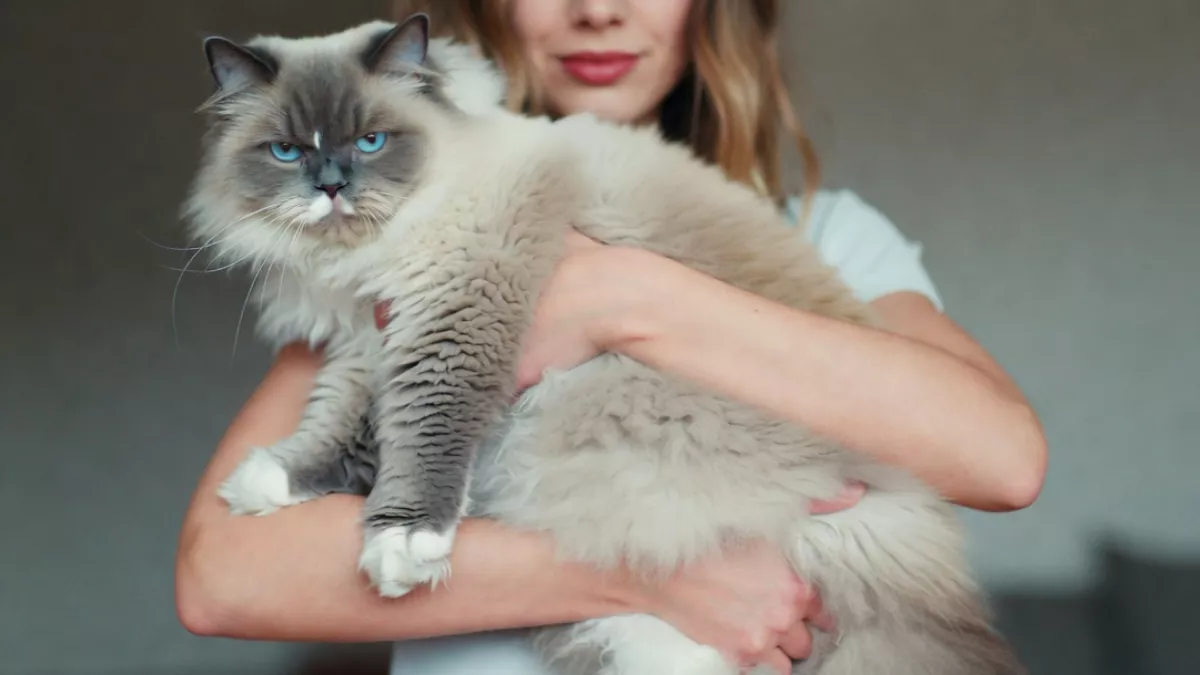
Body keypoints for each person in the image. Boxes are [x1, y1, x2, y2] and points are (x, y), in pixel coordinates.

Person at [174, 1, 1048, 674]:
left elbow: (1004, 459)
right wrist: (634, 576)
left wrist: (623, 294)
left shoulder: (830, 234)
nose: (597, 7)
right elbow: (224, 576)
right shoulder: (375, 250)